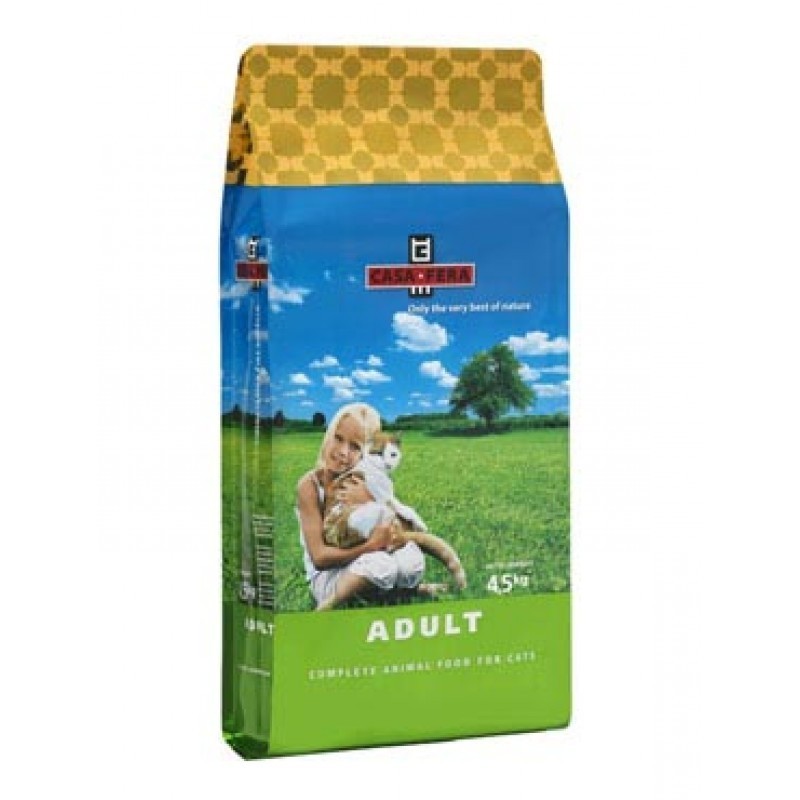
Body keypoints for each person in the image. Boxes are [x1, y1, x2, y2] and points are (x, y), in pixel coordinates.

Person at [296, 403, 447, 611]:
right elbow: (320, 558)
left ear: (366, 453)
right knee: (379, 564)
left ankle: (405, 591)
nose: (343, 452)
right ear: (328, 434)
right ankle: (328, 606)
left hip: (367, 562)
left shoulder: (364, 480)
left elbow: (403, 529)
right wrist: (370, 545)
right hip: (329, 576)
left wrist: (369, 500)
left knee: (407, 560)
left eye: (355, 447)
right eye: (338, 438)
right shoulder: (310, 485)